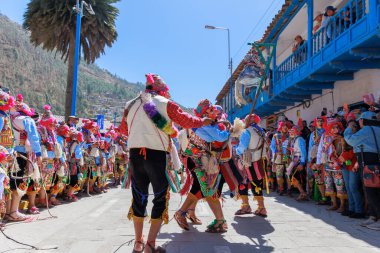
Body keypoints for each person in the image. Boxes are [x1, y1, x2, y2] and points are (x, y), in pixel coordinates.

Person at [122, 74, 212, 253]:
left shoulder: (129, 105)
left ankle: (138, 243)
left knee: (139, 197)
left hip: (135, 156)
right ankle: (150, 245)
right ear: (161, 88)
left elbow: (123, 130)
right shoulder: (164, 103)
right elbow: (186, 120)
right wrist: (203, 121)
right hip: (156, 156)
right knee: (160, 198)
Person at [174, 100, 229, 234]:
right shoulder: (204, 124)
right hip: (199, 161)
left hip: (202, 161)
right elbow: (220, 138)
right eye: (210, 110)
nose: (214, 112)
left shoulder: (203, 123)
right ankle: (181, 212)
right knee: (203, 189)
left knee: (209, 190)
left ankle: (220, 221)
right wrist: (231, 130)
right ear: (205, 113)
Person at [6, 98, 42, 221]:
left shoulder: (7, 118)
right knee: (18, 182)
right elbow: (33, 137)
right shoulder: (25, 120)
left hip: (6, 154)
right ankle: (13, 212)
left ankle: (7, 211)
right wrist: (38, 154)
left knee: (8, 183)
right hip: (20, 154)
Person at [344, 111, 380, 230]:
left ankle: (377, 218)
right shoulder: (377, 128)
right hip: (374, 162)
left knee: (371, 192)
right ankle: (373, 216)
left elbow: (350, 140)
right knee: (372, 191)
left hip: (368, 163)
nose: (359, 122)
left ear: (363, 120)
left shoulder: (367, 129)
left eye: (360, 120)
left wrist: (349, 128)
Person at [235, 113, 268, 217]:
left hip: (248, 161)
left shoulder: (247, 132)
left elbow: (242, 148)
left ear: (248, 121)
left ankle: (245, 206)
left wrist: (236, 150)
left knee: (242, 182)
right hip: (260, 161)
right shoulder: (261, 131)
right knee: (257, 183)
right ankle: (261, 207)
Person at [317, 118, 347, 213]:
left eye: (337, 127)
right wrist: (318, 162)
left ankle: (342, 205)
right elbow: (320, 149)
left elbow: (344, 151)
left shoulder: (341, 137)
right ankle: (334, 203)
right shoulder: (324, 137)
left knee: (339, 184)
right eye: (333, 127)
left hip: (337, 164)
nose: (335, 129)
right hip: (326, 163)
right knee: (328, 183)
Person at [340, 121, 363, 219]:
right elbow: (341, 151)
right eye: (349, 126)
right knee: (349, 188)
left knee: (353, 187)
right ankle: (351, 208)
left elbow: (354, 152)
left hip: (354, 165)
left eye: (353, 126)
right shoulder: (345, 138)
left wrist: (344, 156)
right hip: (346, 165)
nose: (351, 128)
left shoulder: (359, 137)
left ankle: (359, 210)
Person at [309, 117, 328, 204]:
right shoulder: (313, 134)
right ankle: (323, 197)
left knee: (327, 179)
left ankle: (330, 198)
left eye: (321, 121)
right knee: (318, 178)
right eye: (318, 121)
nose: (320, 123)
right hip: (315, 158)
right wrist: (310, 159)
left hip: (326, 158)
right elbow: (310, 147)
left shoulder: (327, 132)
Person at [287, 125, 308, 201]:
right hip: (295, 159)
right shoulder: (294, 139)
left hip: (298, 159)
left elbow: (303, 151)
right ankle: (302, 193)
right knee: (294, 177)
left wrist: (302, 163)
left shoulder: (300, 139)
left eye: (293, 131)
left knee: (296, 177)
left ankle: (303, 193)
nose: (291, 133)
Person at [270, 121, 291, 195]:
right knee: (279, 174)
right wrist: (276, 151)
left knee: (288, 174)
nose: (285, 128)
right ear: (280, 127)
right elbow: (272, 146)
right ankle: (281, 188)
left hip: (287, 156)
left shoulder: (290, 135)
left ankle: (289, 189)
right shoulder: (275, 136)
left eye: (286, 127)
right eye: (284, 127)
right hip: (279, 156)